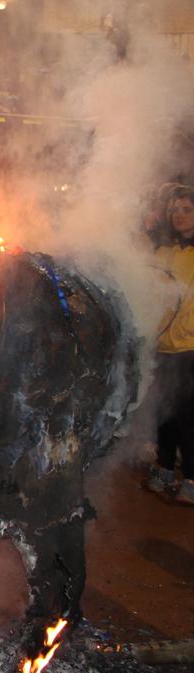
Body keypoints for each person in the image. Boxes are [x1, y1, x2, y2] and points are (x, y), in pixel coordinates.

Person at [147, 185, 194, 505]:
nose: (179, 215)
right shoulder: (162, 252)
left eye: (186, 209)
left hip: (189, 347)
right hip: (161, 345)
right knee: (162, 413)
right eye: (174, 210)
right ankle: (164, 470)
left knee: (188, 417)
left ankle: (190, 478)